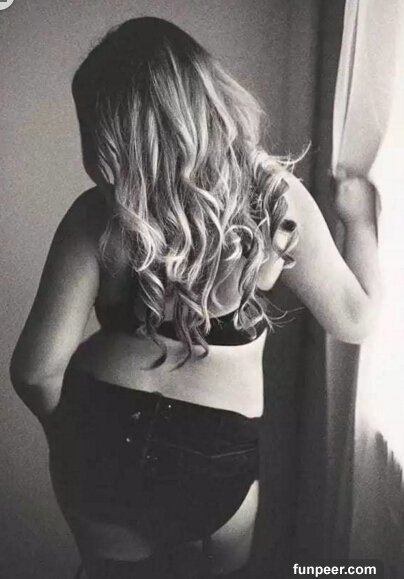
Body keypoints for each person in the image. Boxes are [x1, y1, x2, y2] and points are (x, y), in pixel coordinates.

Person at [9, 17, 381, 579]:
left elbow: (36, 372)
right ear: (207, 96)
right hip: (212, 450)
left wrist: (70, 434)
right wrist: (360, 221)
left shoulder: (96, 215)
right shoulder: (270, 196)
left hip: (97, 426)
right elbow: (355, 319)